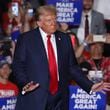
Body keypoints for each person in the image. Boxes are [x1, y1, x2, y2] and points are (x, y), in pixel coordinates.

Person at [12, 5, 110, 110]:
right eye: (49, 20)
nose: (53, 23)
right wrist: (24, 83)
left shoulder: (64, 39)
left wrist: (89, 85)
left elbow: (72, 67)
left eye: (55, 19)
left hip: (60, 98)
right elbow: (18, 66)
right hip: (34, 96)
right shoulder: (26, 39)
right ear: (39, 23)